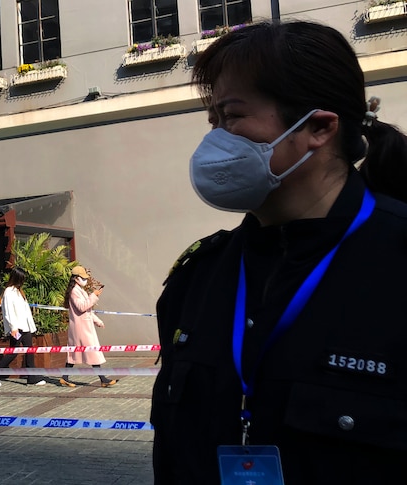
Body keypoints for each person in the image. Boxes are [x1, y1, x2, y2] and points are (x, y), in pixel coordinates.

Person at [151, 21, 407, 484]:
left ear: (318, 127)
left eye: (232, 116)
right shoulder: (200, 276)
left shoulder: (396, 259)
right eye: (213, 122)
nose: (215, 140)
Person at [0, 267, 45, 387]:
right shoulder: (9, 292)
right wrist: (13, 327)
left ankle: (32, 376)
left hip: (25, 327)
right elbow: (9, 311)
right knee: (13, 351)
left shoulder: (19, 291)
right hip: (18, 328)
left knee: (29, 350)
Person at [59, 266, 116, 388]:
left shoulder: (80, 290)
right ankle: (103, 379)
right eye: (82, 278)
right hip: (81, 328)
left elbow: (87, 311)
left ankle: (64, 377)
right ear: (76, 278)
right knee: (92, 351)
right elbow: (82, 307)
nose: (85, 280)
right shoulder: (75, 291)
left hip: (83, 326)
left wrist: (97, 321)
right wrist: (94, 295)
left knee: (75, 353)